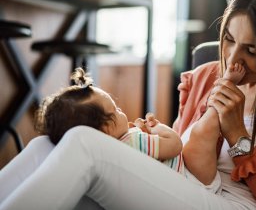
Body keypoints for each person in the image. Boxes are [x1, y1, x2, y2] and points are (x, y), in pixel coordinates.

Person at [0, 0, 256, 210]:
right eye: (229, 40)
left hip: (236, 204)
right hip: (187, 187)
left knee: (83, 144)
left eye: (251, 51)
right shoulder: (207, 76)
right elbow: (178, 154)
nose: (233, 59)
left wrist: (237, 134)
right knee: (46, 144)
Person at [33, 67, 184, 172]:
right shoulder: (133, 142)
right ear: (107, 128)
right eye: (116, 110)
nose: (120, 110)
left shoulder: (112, 152)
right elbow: (176, 145)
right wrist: (155, 128)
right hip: (186, 176)